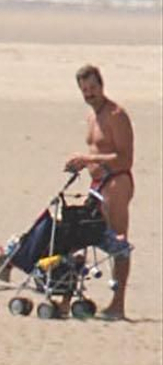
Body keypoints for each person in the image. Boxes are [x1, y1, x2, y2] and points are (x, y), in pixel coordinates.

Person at [66, 64, 136, 321]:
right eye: (85, 90)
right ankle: (67, 299)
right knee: (79, 234)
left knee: (118, 243)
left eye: (93, 88)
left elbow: (125, 159)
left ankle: (118, 305)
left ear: (102, 85)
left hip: (117, 182)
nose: (89, 93)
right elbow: (94, 153)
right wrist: (80, 164)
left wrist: (86, 158)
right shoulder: (91, 117)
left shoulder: (116, 115)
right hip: (96, 184)